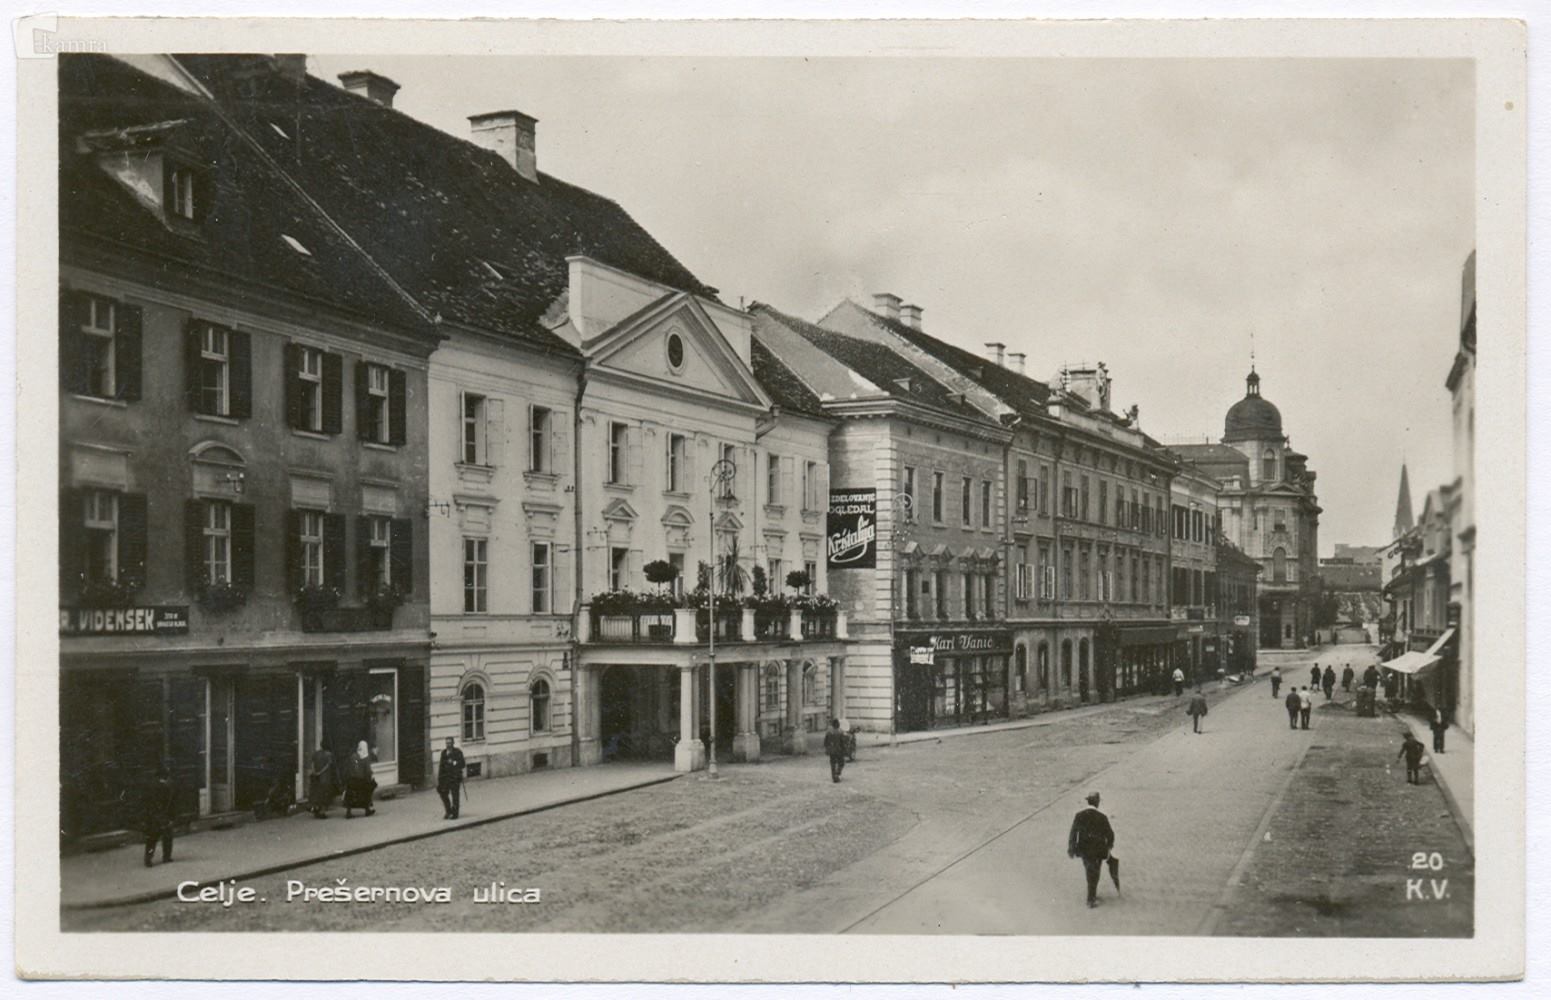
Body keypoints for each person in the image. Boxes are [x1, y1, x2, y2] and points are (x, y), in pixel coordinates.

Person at [1067, 792, 1116, 908]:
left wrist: (1071, 848)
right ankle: (1091, 899)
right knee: (1095, 872)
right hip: (1098, 850)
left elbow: (1073, 833)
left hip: (1084, 849)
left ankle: (1092, 894)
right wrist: (1109, 846)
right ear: (1097, 802)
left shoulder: (1079, 815)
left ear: (1088, 801)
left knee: (1089, 870)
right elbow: (1110, 834)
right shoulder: (1102, 817)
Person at [138, 764, 177, 868]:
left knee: (152, 838)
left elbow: (145, 803)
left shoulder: (150, 786)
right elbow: (172, 803)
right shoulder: (168, 786)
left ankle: (148, 858)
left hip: (154, 816)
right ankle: (166, 857)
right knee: (167, 837)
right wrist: (172, 817)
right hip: (163, 815)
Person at [342, 741, 377, 819]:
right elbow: (368, 771)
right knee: (367, 792)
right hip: (361, 780)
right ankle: (367, 809)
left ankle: (349, 812)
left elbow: (348, 768)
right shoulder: (365, 758)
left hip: (352, 780)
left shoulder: (353, 756)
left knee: (350, 795)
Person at [437, 736, 466, 819]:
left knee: (455, 796)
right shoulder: (443, 753)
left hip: (454, 777)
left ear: (453, 743)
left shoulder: (457, 752)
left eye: (449, 743)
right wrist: (439, 779)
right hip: (445, 778)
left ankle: (455, 813)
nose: (448, 745)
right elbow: (441, 767)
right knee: (443, 793)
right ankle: (448, 811)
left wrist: (453, 762)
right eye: (447, 743)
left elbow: (462, 764)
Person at [307, 743, 335, 819]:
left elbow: (312, 763)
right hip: (324, 777)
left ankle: (316, 809)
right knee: (324, 794)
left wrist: (315, 771)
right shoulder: (329, 754)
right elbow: (328, 765)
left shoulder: (316, 753)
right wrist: (320, 772)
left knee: (316, 793)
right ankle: (322, 812)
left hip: (316, 777)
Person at [823, 718, 848, 783]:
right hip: (839, 750)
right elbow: (843, 742)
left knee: (832, 763)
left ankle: (833, 776)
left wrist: (827, 749)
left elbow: (825, 742)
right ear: (838, 724)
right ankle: (837, 773)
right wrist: (844, 749)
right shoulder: (840, 732)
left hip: (831, 750)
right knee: (841, 763)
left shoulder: (828, 731)